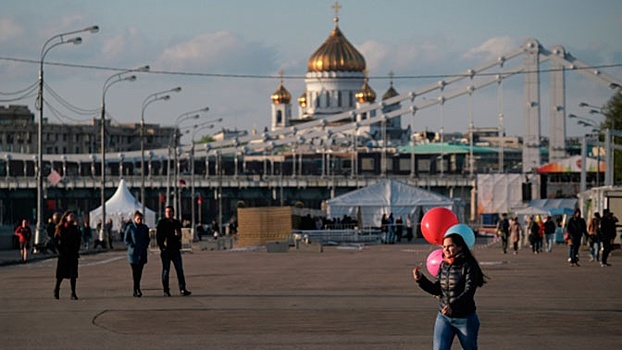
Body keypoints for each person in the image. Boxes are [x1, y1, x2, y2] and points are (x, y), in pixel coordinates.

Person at [412, 232, 486, 350]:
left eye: (450, 246)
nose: (446, 249)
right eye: (444, 246)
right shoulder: (444, 265)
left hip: (465, 319)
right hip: (444, 318)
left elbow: (469, 291)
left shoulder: (469, 265)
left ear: (460, 246)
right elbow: (437, 289)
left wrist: (453, 305)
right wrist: (421, 279)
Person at [156, 205, 191, 297]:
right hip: (166, 250)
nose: (168, 213)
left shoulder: (176, 223)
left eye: (170, 212)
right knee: (166, 270)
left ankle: (182, 288)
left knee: (179, 269)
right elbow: (158, 236)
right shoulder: (162, 223)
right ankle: (166, 290)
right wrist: (162, 247)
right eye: (167, 212)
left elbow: (180, 235)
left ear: (173, 213)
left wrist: (178, 234)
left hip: (175, 249)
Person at [53, 211, 81, 300]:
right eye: (71, 216)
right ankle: (57, 289)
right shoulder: (61, 228)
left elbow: (78, 240)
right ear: (66, 217)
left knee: (73, 275)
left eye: (73, 216)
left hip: (73, 255)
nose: (72, 217)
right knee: (61, 275)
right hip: (64, 255)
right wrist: (60, 250)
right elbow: (55, 241)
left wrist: (77, 249)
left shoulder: (75, 228)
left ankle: (73, 293)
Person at [124, 211, 151, 297]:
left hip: (142, 253)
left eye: (141, 219)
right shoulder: (130, 228)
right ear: (134, 219)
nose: (139, 220)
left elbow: (147, 238)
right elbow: (126, 239)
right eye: (138, 219)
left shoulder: (144, 228)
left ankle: (137, 288)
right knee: (135, 272)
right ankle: (136, 289)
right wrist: (131, 246)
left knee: (139, 272)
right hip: (133, 254)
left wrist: (145, 245)